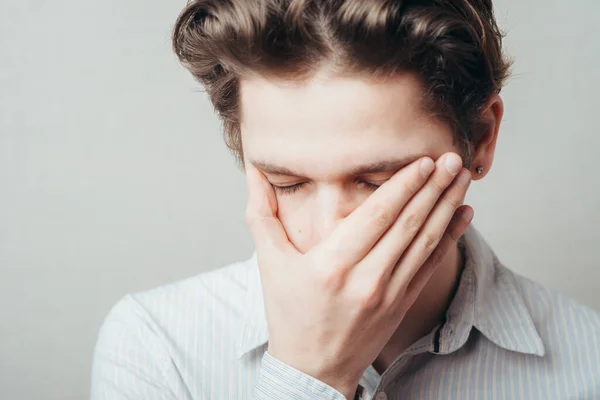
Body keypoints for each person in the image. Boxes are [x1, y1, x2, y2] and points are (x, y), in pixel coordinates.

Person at [91, 0, 600, 399]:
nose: (329, 231)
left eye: (378, 181)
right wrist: (309, 376)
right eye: (287, 183)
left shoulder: (588, 365)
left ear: (482, 137)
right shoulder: (159, 349)